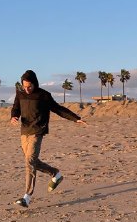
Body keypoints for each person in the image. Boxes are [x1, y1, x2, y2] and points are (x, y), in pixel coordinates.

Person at [11, 69, 87, 207]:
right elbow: (16, 107)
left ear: (35, 83)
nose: (27, 89)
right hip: (24, 131)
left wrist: (75, 118)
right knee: (32, 161)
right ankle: (55, 174)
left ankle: (27, 197)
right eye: (24, 86)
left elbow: (58, 109)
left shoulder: (44, 95)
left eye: (29, 86)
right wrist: (14, 116)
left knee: (29, 161)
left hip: (37, 131)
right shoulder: (20, 93)